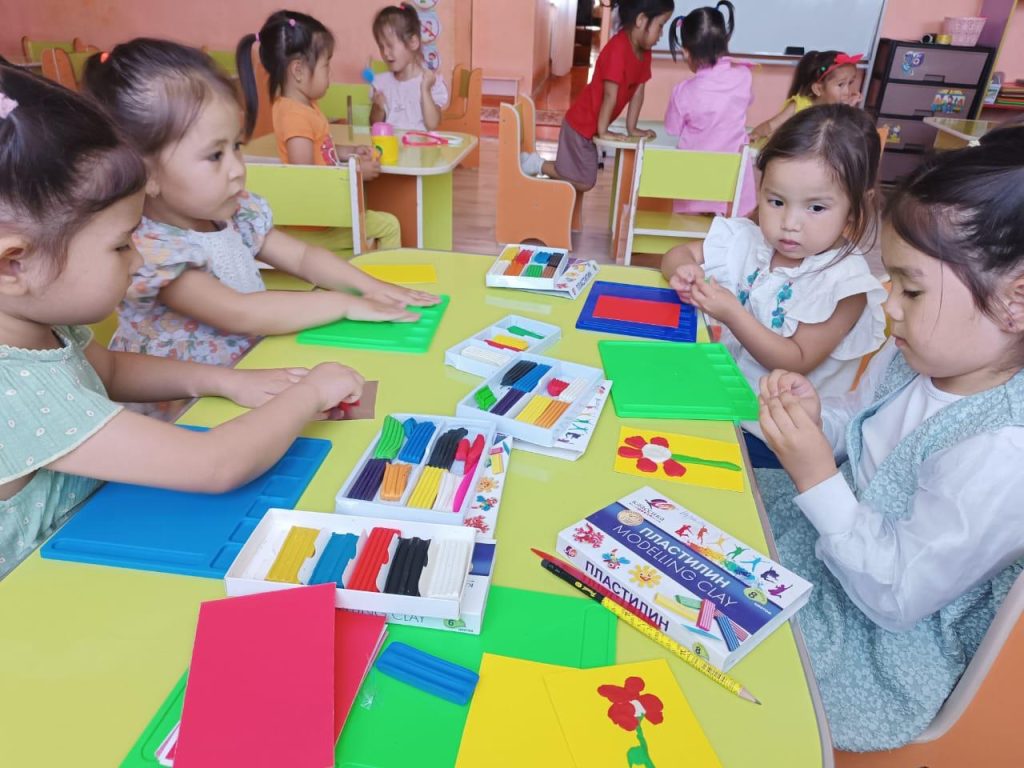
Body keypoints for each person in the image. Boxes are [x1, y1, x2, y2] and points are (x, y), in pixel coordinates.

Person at [0, 65, 363, 577]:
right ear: (13, 265)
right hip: (39, 593)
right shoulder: (12, 387)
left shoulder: (40, 324)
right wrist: (310, 393)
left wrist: (222, 380)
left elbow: (112, 371)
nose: (138, 260)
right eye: (120, 246)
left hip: (98, 535)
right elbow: (214, 464)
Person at [755, 126, 1024, 751]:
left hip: (874, 636)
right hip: (835, 543)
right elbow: (862, 424)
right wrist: (815, 420)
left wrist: (815, 475)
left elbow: (897, 596)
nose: (889, 304)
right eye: (891, 281)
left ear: (1017, 300)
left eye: (912, 288)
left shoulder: (1001, 449)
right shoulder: (923, 356)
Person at [82, 39, 438, 418]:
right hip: (187, 409)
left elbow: (302, 256)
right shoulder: (155, 249)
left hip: (248, 374)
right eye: (215, 155)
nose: (237, 168)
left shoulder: (234, 214)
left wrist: (369, 286)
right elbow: (240, 312)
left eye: (236, 146)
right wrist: (346, 304)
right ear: (147, 173)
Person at [662, 105, 886, 466]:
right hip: (723, 401)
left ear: (857, 206)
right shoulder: (749, 239)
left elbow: (795, 360)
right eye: (777, 201)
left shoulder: (846, 283)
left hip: (777, 439)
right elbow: (677, 254)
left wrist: (731, 312)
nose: (790, 223)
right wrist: (687, 272)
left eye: (816, 208)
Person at [237, 10, 402, 251]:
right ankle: (386, 275)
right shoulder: (295, 116)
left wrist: (349, 152)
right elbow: (308, 178)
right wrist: (356, 175)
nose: (330, 74)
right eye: (326, 65)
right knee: (389, 226)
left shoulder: (303, 107)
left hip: (324, 218)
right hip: (317, 226)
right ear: (298, 71)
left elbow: (320, 149)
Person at [519, 0, 673, 193]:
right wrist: (603, 130)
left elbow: (638, 92)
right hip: (579, 126)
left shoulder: (645, 53)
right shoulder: (618, 49)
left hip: (590, 130)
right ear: (641, 20)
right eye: (661, 26)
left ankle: (537, 166)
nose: (661, 34)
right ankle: (536, 164)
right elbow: (609, 94)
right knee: (584, 181)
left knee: (581, 179)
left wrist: (632, 128)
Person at [663, 1, 756, 216]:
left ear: (686, 53)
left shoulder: (683, 91)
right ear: (726, 40)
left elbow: (672, 128)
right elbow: (747, 101)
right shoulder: (744, 76)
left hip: (694, 187)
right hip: (733, 188)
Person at [750, 50, 863, 143]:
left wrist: (848, 110)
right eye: (841, 85)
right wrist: (757, 133)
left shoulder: (838, 111)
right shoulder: (799, 106)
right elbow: (771, 125)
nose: (847, 91)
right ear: (818, 89)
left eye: (850, 83)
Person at [369, 4, 449, 131]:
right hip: (391, 143)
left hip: (421, 143)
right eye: (381, 47)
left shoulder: (429, 81)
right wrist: (378, 108)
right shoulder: (381, 83)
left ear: (413, 42)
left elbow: (432, 124)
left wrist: (425, 90)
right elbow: (374, 124)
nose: (385, 53)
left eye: (390, 45)